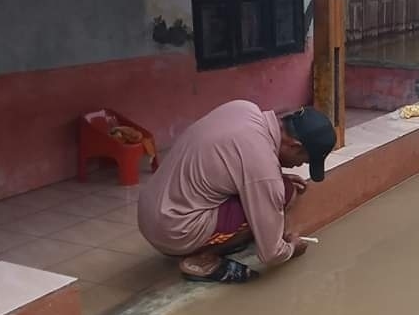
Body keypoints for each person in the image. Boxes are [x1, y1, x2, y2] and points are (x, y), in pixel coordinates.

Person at [137, 101, 336, 283]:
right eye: (303, 161)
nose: (297, 166)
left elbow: (237, 161)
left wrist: (271, 180)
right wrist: (292, 248)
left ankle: (213, 239)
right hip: (172, 230)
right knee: (282, 196)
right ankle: (201, 259)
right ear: (295, 146)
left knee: (277, 189)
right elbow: (271, 254)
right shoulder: (262, 168)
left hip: (151, 210)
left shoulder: (243, 108)